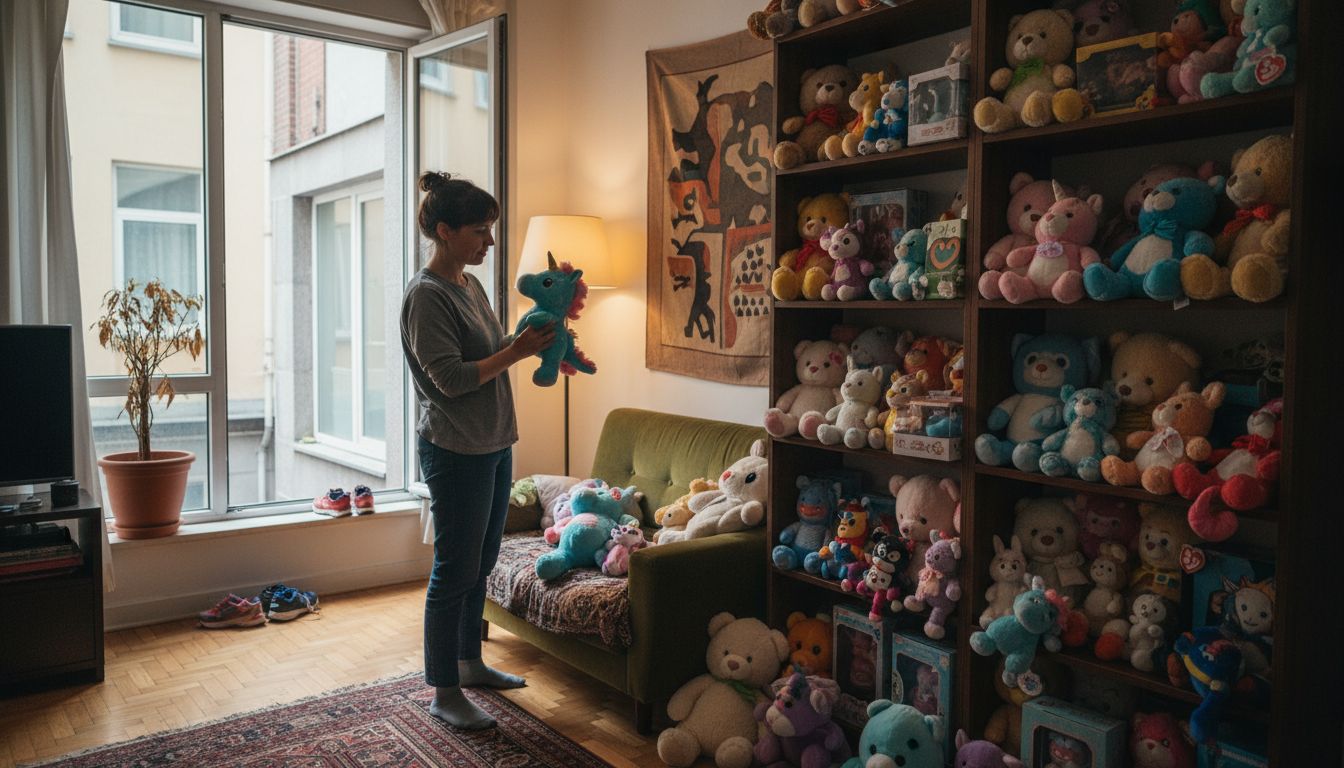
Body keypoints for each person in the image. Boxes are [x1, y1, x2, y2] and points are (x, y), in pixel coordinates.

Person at [400, 171, 555, 729]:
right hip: (455, 449)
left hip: (494, 441)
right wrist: (516, 352)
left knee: (482, 563)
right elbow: (451, 379)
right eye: (479, 231)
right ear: (444, 231)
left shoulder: (469, 284)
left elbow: (490, 350)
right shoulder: (426, 296)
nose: (490, 241)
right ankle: (444, 691)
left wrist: (535, 337)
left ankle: (468, 663)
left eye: (490, 229)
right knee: (454, 569)